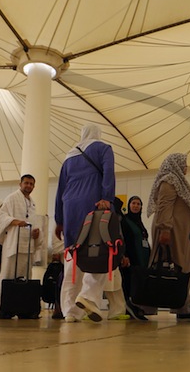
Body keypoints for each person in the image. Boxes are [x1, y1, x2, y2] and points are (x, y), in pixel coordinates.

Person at [55, 123, 115, 323]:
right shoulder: (103, 148)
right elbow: (108, 174)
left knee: (73, 255)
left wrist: (59, 219)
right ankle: (89, 296)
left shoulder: (69, 156)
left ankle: (70, 311)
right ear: (98, 134)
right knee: (99, 251)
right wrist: (107, 198)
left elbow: (60, 188)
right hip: (93, 204)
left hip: (70, 207)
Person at [147, 153, 190, 320]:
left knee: (182, 269)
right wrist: (165, 230)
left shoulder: (176, 182)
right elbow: (164, 207)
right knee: (169, 269)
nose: (186, 168)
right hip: (171, 233)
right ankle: (146, 306)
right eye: (184, 164)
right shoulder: (169, 181)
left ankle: (182, 307)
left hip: (180, 233)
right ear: (176, 164)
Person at [0, 175, 43, 318]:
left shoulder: (32, 203)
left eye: (31, 184)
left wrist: (37, 233)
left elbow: (33, 222)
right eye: (26, 183)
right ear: (20, 184)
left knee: (24, 277)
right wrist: (15, 221)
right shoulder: (11, 198)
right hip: (13, 243)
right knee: (6, 275)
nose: (29, 186)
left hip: (27, 245)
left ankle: (21, 309)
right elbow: (2, 216)